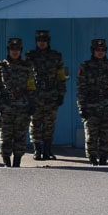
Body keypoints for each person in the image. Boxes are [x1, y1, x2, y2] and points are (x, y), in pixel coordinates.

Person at [0, 37, 35, 167]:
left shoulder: (27, 67)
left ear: (21, 51)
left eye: (17, 49)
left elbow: (31, 86)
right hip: (5, 108)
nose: (15, 52)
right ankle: (6, 163)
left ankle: (17, 163)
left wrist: (32, 103)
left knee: (20, 137)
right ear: (8, 50)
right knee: (5, 138)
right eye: (12, 49)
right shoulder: (0, 66)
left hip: (23, 108)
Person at [76, 38, 108, 166]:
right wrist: (81, 106)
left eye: (103, 50)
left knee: (106, 135)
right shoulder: (85, 66)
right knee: (91, 135)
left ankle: (103, 159)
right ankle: (92, 159)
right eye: (97, 50)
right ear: (93, 51)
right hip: (91, 106)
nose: (100, 52)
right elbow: (81, 88)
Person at [25, 30, 67, 160]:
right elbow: (26, 75)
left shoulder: (56, 56)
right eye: (39, 41)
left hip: (51, 95)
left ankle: (47, 150)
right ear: (36, 42)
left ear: (48, 42)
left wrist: (61, 93)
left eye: (44, 41)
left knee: (50, 124)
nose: (42, 43)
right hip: (35, 95)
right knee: (35, 123)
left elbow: (61, 75)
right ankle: (37, 150)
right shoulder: (30, 56)